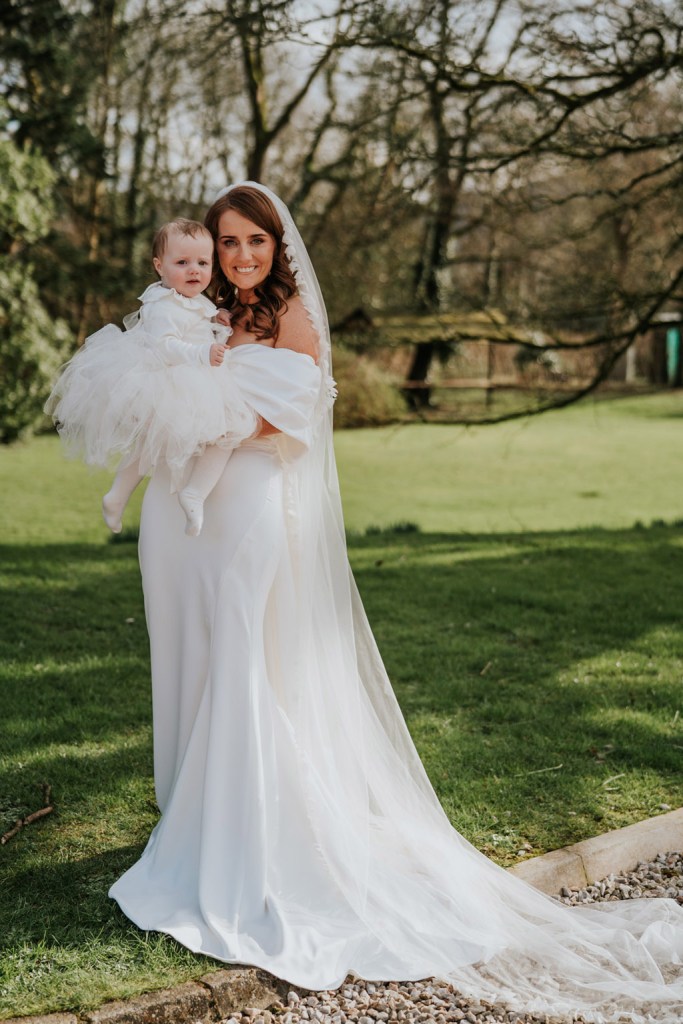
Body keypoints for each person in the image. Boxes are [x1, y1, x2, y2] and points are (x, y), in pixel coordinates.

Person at [108, 183, 683, 1023]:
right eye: (226, 244)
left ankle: (242, 840)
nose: (238, 258)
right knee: (191, 654)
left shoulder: (294, 318)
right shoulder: (197, 315)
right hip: (181, 523)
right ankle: (191, 814)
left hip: (250, 512)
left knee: (240, 658)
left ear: (276, 246)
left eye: (252, 243)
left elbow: (294, 430)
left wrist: (221, 430)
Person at [46, 218, 259, 536]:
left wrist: (217, 319)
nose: (194, 271)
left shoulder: (196, 301)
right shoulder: (161, 305)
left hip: (193, 381)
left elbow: (197, 321)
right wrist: (203, 353)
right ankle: (119, 495)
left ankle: (192, 493)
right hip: (167, 377)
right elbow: (166, 345)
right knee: (153, 442)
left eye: (203, 263)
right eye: (182, 262)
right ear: (160, 266)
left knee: (226, 433)